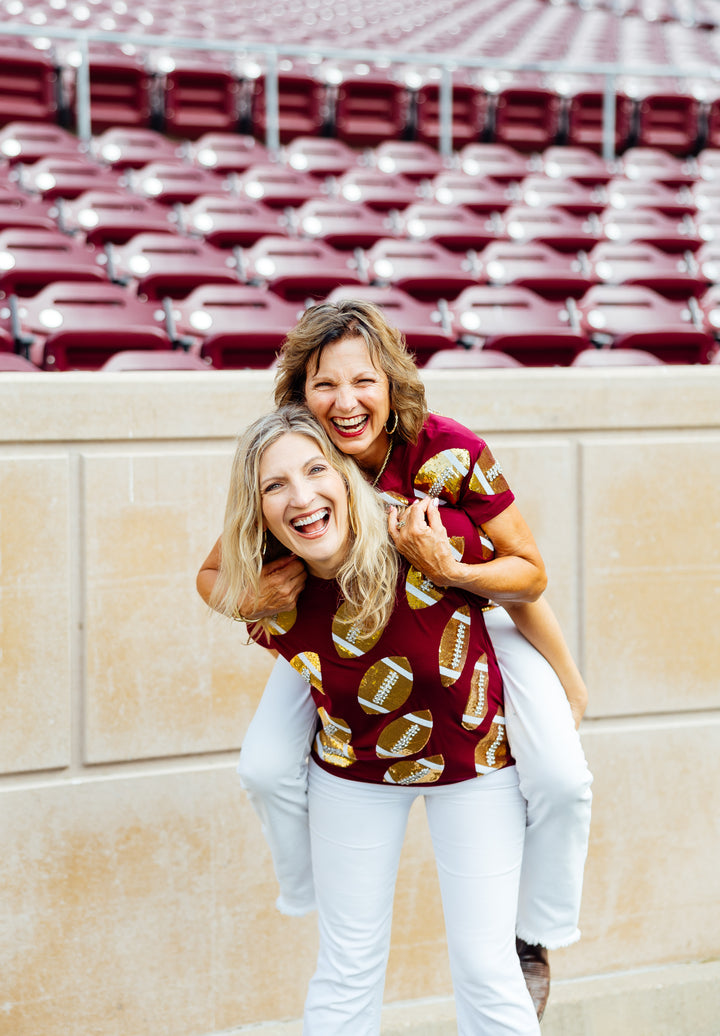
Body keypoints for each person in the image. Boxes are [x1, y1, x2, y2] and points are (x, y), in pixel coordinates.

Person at [197, 299, 593, 1020]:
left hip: (462, 612)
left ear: (391, 383)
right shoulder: (291, 473)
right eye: (325, 385)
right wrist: (252, 599)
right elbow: (213, 577)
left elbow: (527, 580)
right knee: (262, 764)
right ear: (300, 397)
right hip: (344, 682)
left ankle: (531, 933)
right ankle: (314, 879)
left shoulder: (441, 466)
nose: (345, 402)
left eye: (363, 382)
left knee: (564, 778)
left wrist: (559, 670)